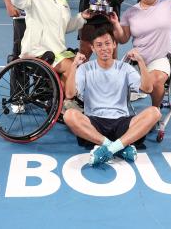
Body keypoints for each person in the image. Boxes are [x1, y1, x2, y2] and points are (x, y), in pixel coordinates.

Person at [63, 26, 160, 167]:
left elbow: (148, 88)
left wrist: (141, 62)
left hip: (121, 122)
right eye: (99, 45)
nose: (104, 48)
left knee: (154, 112)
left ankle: (108, 149)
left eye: (108, 43)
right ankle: (118, 147)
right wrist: (73, 66)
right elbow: (70, 94)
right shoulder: (85, 68)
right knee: (69, 115)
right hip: (95, 123)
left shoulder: (125, 68)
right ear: (93, 48)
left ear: (114, 45)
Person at [11, 0, 92, 87]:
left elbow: (65, 28)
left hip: (58, 51)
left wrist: (82, 17)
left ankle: (65, 97)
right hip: (38, 51)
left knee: (82, 65)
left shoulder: (62, 2)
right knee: (72, 67)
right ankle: (66, 102)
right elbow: (17, 0)